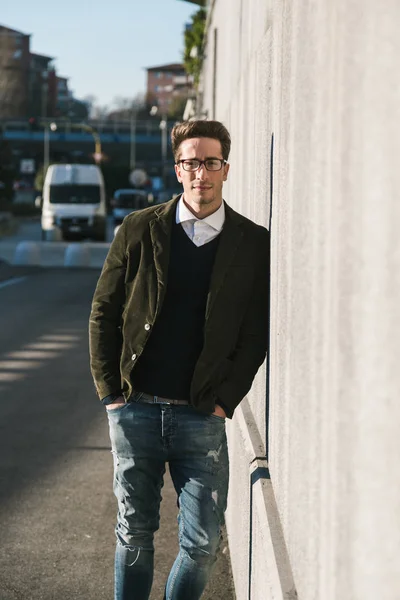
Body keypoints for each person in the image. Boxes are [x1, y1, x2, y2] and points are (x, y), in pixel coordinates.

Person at [89, 119, 270, 600]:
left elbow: (255, 334)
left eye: (211, 162)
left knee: (203, 544)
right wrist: (111, 394)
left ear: (225, 169)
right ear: (177, 169)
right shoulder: (139, 228)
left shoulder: (252, 242)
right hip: (136, 410)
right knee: (134, 535)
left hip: (200, 416)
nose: (201, 173)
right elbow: (103, 311)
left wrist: (225, 401)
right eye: (191, 162)